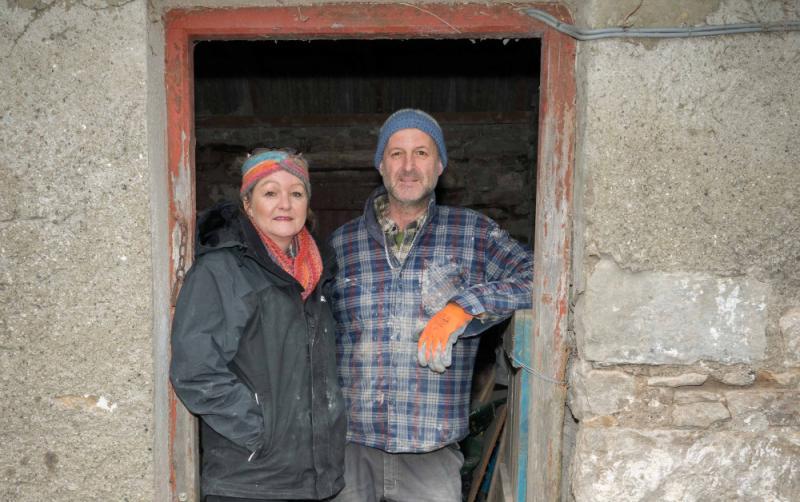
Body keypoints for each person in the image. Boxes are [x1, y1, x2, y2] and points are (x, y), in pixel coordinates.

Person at [329, 109, 534, 501]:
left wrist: (467, 306)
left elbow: (541, 276)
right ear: (380, 165)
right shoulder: (342, 243)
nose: (408, 166)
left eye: (421, 153)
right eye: (396, 154)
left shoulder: (472, 232)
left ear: (439, 165)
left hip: (431, 448)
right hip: (351, 448)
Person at [170, 149, 346, 501]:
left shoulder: (317, 277)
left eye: (296, 193)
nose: (285, 203)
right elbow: (195, 370)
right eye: (269, 192)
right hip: (249, 479)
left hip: (314, 480)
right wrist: (258, 432)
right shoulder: (221, 271)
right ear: (248, 205)